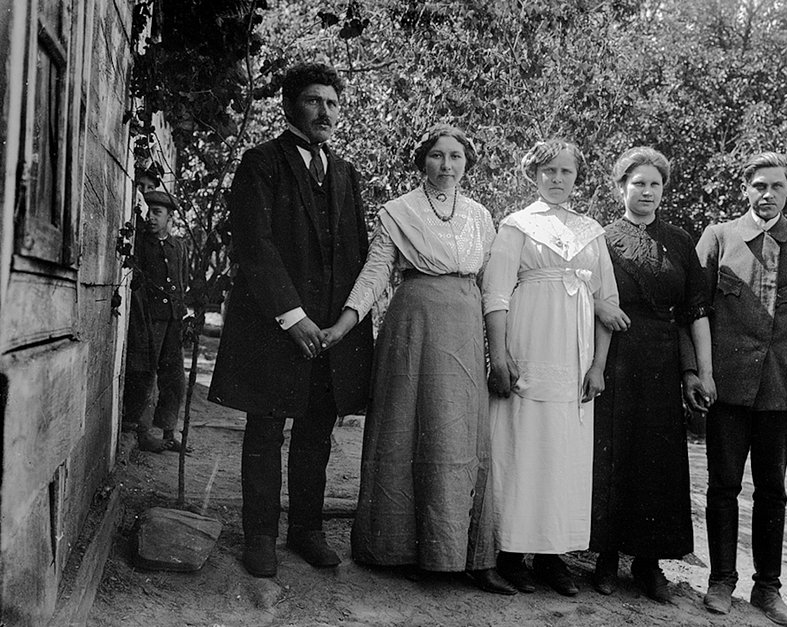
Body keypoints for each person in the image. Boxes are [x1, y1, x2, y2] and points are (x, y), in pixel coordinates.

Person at [323, 124, 514, 595]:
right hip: (413, 327)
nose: (446, 166)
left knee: (458, 436)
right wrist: (343, 325)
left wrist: (502, 351)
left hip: (465, 330)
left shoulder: (481, 216)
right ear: (421, 161)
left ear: (467, 163)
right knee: (407, 433)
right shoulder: (399, 212)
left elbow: (495, 288)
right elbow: (374, 275)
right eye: (436, 156)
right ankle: (402, 549)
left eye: (455, 157)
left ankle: (466, 556)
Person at [208, 62, 373, 579]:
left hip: (327, 336)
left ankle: (307, 530)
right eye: (313, 101)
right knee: (264, 432)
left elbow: (356, 254)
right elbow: (254, 246)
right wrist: (293, 317)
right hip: (274, 328)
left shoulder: (345, 173)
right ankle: (259, 536)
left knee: (317, 434)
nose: (324, 112)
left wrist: (340, 326)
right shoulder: (260, 163)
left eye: (332, 103)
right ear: (289, 105)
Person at [696, 152, 787, 625]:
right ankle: (720, 581)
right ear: (745, 189)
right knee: (723, 486)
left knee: (772, 490)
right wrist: (697, 373)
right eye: (758, 185)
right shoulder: (718, 237)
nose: (767, 194)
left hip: (780, 391)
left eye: (776, 186)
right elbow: (694, 312)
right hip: (726, 390)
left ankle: (767, 590)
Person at [483, 139, 617, 597]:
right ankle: (510, 551)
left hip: (575, 357)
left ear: (578, 178)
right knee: (522, 446)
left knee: (564, 451)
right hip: (529, 343)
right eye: (548, 171)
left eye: (566, 172)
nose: (557, 180)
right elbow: (496, 295)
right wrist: (499, 356)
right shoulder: (516, 226)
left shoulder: (591, 231)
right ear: (533, 175)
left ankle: (552, 555)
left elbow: (608, 304)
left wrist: (597, 366)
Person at [590, 147, 716, 601]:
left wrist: (701, 371)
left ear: (664, 190)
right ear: (621, 187)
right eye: (638, 182)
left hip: (663, 360)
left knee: (656, 461)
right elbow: (586, 299)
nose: (646, 191)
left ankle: (648, 564)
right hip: (617, 352)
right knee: (614, 453)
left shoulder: (680, 241)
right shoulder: (600, 238)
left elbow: (695, 310)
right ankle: (604, 558)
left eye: (654, 184)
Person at [122, 189, 189, 453]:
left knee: (174, 377)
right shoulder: (140, 244)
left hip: (173, 321)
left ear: (170, 217)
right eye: (147, 212)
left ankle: (169, 432)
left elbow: (181, 283)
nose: (150, 217)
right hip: (149, 321)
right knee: (145, 373)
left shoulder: (178, 246)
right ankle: (142, 432)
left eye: (156, 212)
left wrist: (184, 317)